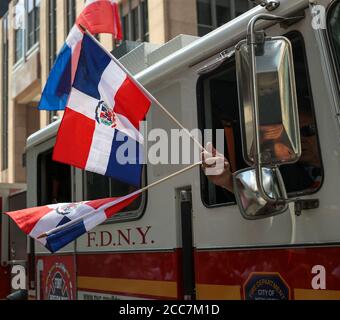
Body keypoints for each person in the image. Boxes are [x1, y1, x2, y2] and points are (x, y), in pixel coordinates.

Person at [201, 110, 322, 194]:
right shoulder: (287, 175)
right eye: (292, 133)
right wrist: (226, 180)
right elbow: (263, 201)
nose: (300, 139)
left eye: (307, 130)